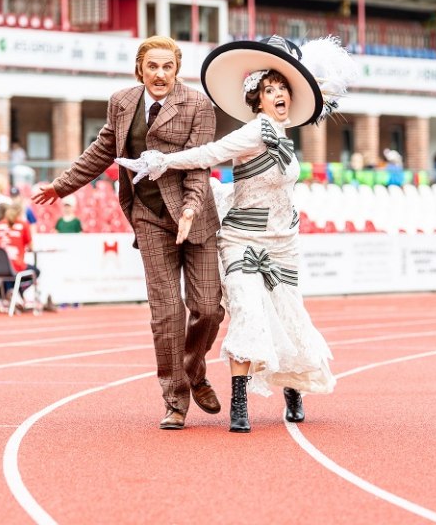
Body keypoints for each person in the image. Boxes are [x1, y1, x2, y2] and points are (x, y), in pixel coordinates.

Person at [118, 34, 357, 432]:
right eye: (268, 89)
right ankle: (240, 399)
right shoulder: (256, 131)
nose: (277, 94)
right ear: (257, 100)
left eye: (282, 88)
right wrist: (163, 160)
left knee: (287, 314)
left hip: (283, 244)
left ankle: (292, 387)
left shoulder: (285, 135)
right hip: (242, 241)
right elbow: (208, 154)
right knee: (246, 312)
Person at [32, 35, 225, 430]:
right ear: (140, 69)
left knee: (208, 308)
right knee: (166, 312)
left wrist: (190, 208)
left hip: (194, 216)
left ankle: (193, 367)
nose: (160, 74)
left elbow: (199, 167)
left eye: (167, 67)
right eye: (152, 66)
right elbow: (104, 149)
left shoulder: (198, 105)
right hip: (149, 215)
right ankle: (174, 399)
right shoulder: (121, 102)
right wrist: (62, 185)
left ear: (177, 70)